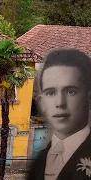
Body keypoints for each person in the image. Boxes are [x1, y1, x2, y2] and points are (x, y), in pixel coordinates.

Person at [26, 48, 91, 180]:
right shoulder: (38, 163)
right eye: (51, 93)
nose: (60, 103)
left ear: (88, 98)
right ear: (42, 102)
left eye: (70, 91)